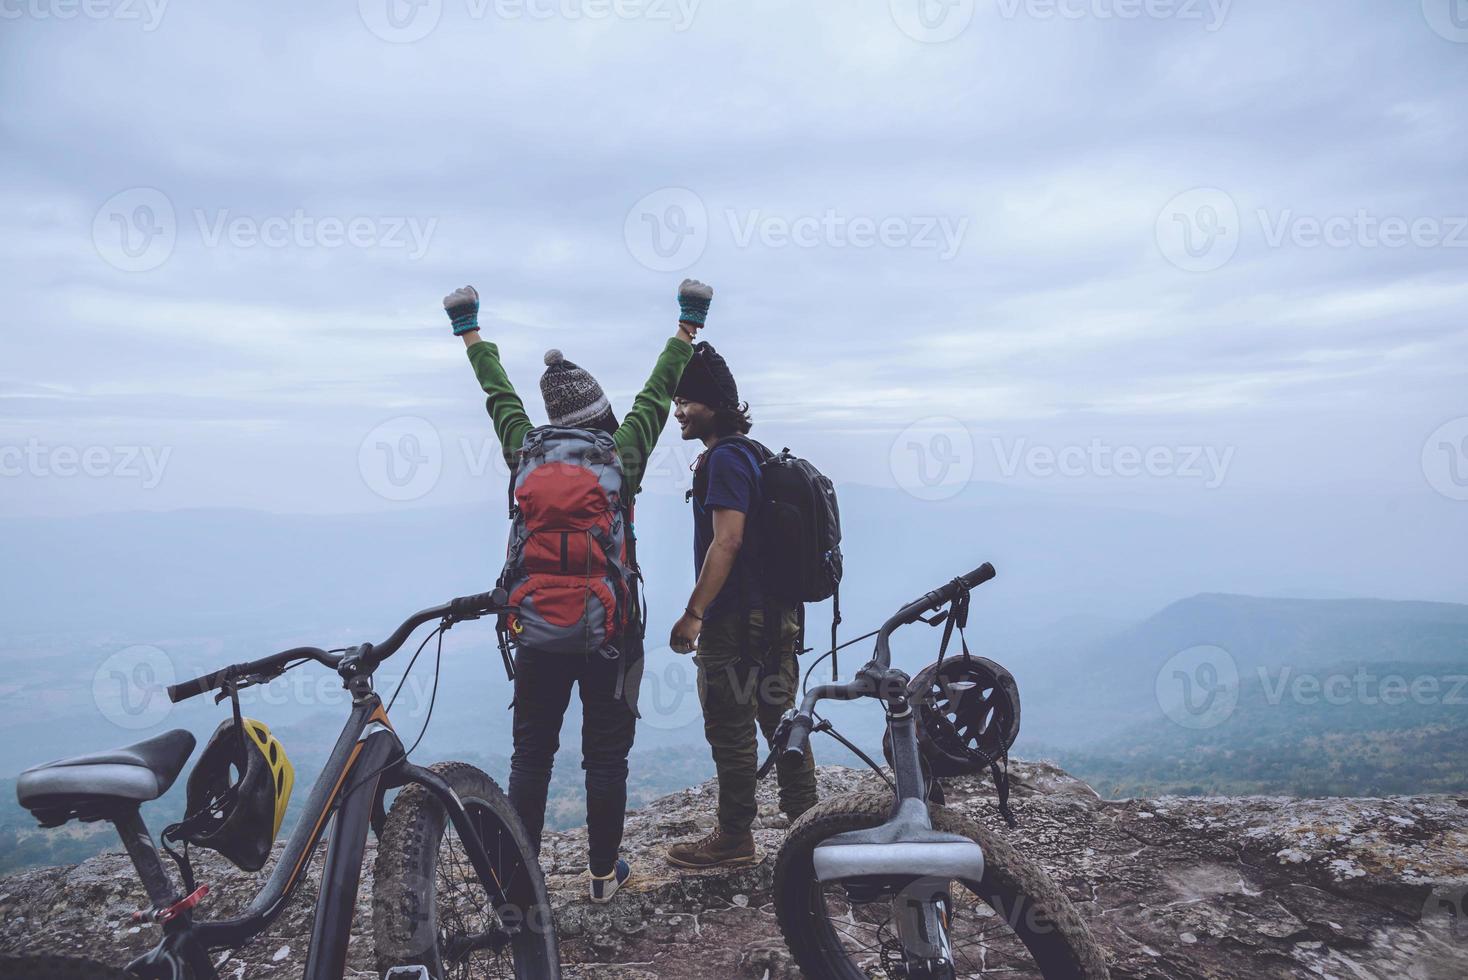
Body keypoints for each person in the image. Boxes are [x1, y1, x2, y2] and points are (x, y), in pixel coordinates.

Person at [445, 279, 712, 901]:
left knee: (531, 755)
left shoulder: (524, 448)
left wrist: (470, 332)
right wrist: (686, 328)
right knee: (606, 758)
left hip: (536, 629)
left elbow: (498, 394)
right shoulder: (624, 452)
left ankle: (518, 880)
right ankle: (600, 877)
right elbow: (658, 388)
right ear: (600, 414)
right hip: (610, 635)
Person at [664, 343, 817, 869]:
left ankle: (734, 837)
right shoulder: (754, 453)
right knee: (782, 721)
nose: (678, 412)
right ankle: (807, 823)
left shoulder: (726, 459)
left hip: (735, 621)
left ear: (711, 404)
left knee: (730, 725)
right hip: (777, 616)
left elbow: (726, 541)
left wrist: (694, 612)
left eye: (686, 401)